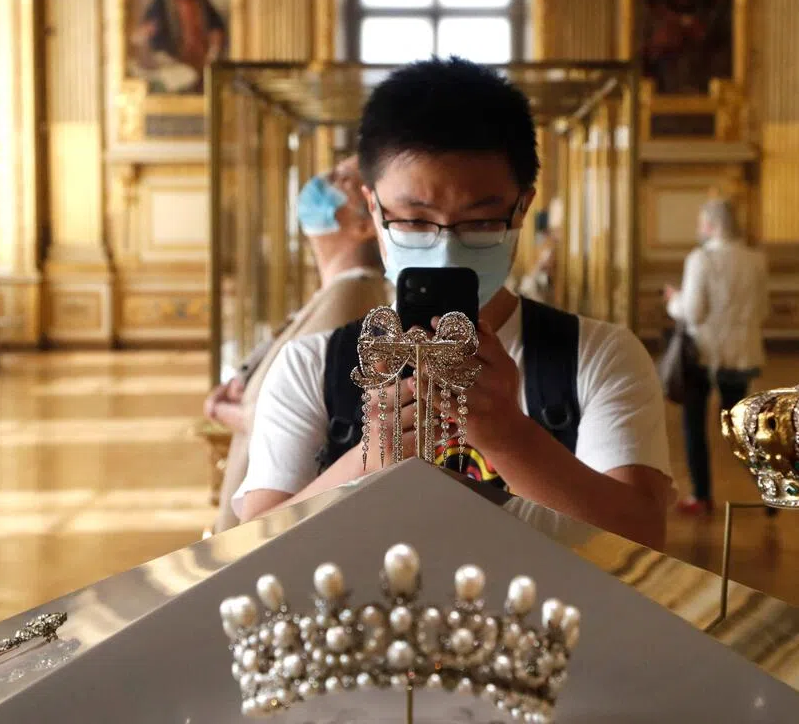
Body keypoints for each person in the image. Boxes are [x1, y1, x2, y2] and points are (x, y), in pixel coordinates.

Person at [234, 58, 673, 549]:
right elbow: (253, 547)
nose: (445, 247)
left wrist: (509, 436)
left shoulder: (597, 356)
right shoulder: (313, 366)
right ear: (373, 208)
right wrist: (369, 458)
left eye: (480, 222)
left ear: (521, 208)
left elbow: (643, 541)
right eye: (414, 221)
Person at [206, 155, 390, 533]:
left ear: (364, 223)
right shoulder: (338, 290)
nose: (323, 178)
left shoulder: (351, 297)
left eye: (342, 180)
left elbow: (310, 407)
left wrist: (232, 412)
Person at [664, 198, 767, 515]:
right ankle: (770, 487)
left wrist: (673, 301)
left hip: (702, 354)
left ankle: (702, 495)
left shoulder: (701, 259)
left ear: (710, 225)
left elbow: (693, 312)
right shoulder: (756, 259)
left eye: (700, 222)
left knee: (694, 426)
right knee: (740, 427)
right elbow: (763, 309)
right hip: (742, 353)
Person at [133, 0, 226, 94]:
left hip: (201, 63)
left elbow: (216, 29)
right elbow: (147, 31)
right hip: (172, 64)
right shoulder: (161, 0)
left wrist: (213, 51)